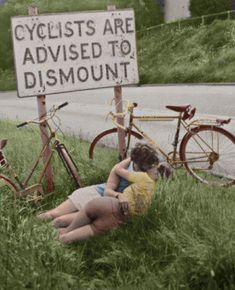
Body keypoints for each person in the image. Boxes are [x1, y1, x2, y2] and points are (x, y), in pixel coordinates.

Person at [56, 143, 160, 244]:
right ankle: (58, 232)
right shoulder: (137, 173)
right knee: (60, 217)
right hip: (102, 195)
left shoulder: (145, 173)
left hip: (106, 204)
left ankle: (61, 232)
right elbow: (110, 187)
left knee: (64, 222)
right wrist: (119, 195)